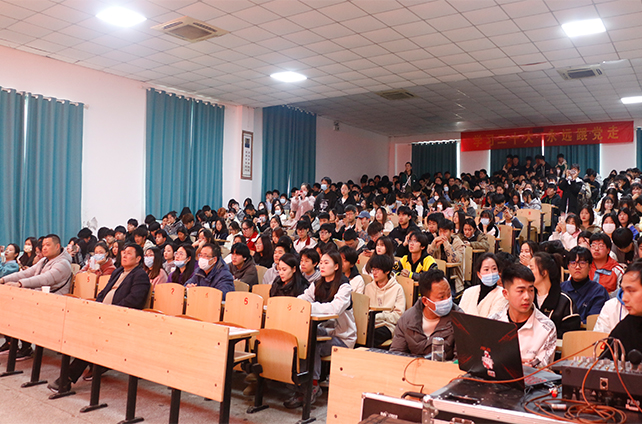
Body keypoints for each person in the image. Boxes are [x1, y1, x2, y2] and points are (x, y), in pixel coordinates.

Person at [47, 243, 151, 393]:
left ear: (138, 258)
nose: (124, 255)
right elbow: (104, 292)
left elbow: (134, 300)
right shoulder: (118, 271)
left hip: (121, 319)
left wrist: (111, 311)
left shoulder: (140, 275)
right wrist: (98, 306)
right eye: (123, 252)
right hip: (103, 315)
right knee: (78, 329)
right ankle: (93, 366)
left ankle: (67, 379)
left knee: (92, 340)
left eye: (129, 253)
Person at [292, 251, 356, 409]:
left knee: (312, 344)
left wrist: (309, 307)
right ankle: (299, 383)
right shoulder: (317, 284)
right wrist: (296, 304)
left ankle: (312, 386)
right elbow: (303, 299)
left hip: (342, 337)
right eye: (321, 262)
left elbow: (335, 309)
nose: (322, 266)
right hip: (324, 331)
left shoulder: (344, 286)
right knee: (301, 339)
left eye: (326, 263)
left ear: (336, 266)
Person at [489, 264, 557, 368]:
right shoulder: (492, 322)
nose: (527, 297)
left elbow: (543, 368)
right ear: (506, 294)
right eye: (521, 291)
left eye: (531, 290)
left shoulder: (547, 327)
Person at [390, 268, 459, 358]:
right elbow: (396, 354)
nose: (447, 300)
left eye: (449, 294)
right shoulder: (407, 320)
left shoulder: (460, 320)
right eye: (441, 297)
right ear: (425, 301)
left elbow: (460, 360)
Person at [529, 252, 581, 338]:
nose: (527, 272)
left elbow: (569, 336)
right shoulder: (527, 298)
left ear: (544, 272)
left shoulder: (565, 301)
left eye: (531, 268)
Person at [601, 261, 642, 359]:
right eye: (623, 291)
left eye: (631, 291)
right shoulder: (624, 328)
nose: (624, 298)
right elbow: (606, 361)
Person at [364, 253, 405, 346]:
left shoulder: (397, 288)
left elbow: (399, 316)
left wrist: (382, 316)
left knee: (371, 337)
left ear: (387, 271)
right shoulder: (368, 287)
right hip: (369, 324)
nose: (374, 273)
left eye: (377, 270)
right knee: (358, 334)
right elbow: (363, 311)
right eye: (373, 269)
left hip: (388, 325)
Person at [561, 246, 610, 324]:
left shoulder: (599, 292)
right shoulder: (561, 289)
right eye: (573, 263)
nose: (577, 267)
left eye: (582, 263)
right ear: (568, 266)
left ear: (590, 266)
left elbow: (593, 321)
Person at [459, 253, 508, 318]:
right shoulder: (468, 292)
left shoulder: (502, 294)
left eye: (494, 269)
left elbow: (493, 320)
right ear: (479, 274)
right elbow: (459, 316)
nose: (491, 273)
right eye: (486, 269)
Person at [427, 220, 465, 293]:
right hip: (436, 277)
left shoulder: (458, 243)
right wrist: (433, 244)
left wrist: (446, 244)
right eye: (440, 231)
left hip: (453, 280)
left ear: (451, 232)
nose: (442, 235)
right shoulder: (436, 241)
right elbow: (427, 257)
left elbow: (453, 260)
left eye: (445, 232)